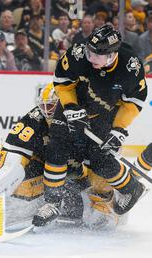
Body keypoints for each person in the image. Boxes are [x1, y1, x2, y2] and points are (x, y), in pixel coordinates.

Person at [0, 83, 123, 233]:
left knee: (94, 208)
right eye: (44, 106)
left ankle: (104, 202)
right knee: (24, 186)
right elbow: (12, 159)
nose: (47, 112)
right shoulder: (33, 121)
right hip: (48, 173)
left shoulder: (86, 118)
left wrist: (102, 192)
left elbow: (105, 159)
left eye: (52, 107)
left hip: (79, 175)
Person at [34, 25, 148, 227]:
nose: (91, 57)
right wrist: (69, 106)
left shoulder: (130, 67)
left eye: (97, 55)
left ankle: (132, 188)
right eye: (89, 51)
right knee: (57, 147)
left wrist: (119, 129)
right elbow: (62, 81)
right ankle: (52, 203)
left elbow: (133, 103)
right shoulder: (79, 54)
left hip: (106, 112)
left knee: (99, 159)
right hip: (75, 103)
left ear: (112, 55)